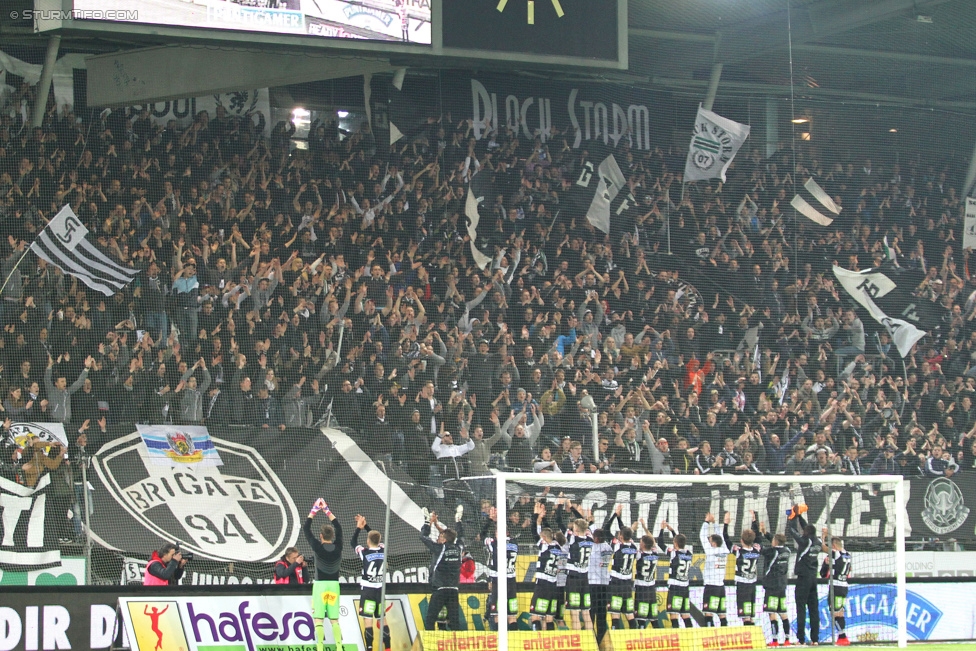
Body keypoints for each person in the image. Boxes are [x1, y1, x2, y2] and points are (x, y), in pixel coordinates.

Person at [304, 498, 344, 651]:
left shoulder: (317, 547)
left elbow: (306, 529)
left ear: (321, 536)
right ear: (332, 536)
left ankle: (320, 648)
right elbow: (339, 527)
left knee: (319, 620)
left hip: (320, 587)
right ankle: (339, 647)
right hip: (334, 586)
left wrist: (314, 510)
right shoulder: (338, 547)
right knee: (334, 620)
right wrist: (327, 510)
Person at [420, 511, 464, 630]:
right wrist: (458, 521)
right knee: (455, 622)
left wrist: (427, 522)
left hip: (440, 590)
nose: (438, 538)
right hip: (454, 591)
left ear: (444, 539)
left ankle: (430, 646)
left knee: (430, 619)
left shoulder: (440, 549)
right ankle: (456, 646)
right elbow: (460, 536)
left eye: (440, 536)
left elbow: (423, 537)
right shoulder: (459, 548)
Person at [353, 513, 390, 651]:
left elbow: (353, 542)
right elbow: (375, 537)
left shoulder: (364, 552)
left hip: (368, 591)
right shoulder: (383, 549)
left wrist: (359, 527)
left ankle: (369, 648)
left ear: (368, 541)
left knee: (368, 620)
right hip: (380, 591)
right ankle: (388, 648)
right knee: (382, 619)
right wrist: (367, 527)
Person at [788, 504, 822, 645]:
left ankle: (801, 640)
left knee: (801, 608)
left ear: (806, 533)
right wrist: (800, 516)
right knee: (814, 609)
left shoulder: (805, 542)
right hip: (814, 578)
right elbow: (807, 528)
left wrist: (792, 516)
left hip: (803, 579)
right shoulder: (818, 542)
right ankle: (815, 639)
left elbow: (792, 530)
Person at [529, 503, 566, 630]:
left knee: (536, 616)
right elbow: (548, 531)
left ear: (543, 538)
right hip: (553, 586)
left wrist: (535, 516)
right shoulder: (558, 547)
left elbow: (533, 531)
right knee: (548, 618)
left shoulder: (544, 546)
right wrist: (542, 518)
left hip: (542, 585)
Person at [482, 507, 518, 630]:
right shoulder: (515, 543)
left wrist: (490, 520)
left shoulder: (494, 544)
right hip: (511, 581)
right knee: (512, 615)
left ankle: (498, 640)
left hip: (499, 580)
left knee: (496, 613)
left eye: (497, 532)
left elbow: (482, 535)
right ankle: (513, 639)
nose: (495, 534)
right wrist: (498, 521)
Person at [725, 511, 763, 627]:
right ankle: (753, 636)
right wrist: (754, 522)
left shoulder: (738, 551)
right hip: (752, 584)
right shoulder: (757, 549)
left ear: (741, 540)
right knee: (750, 613)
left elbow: (726, 540)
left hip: (742, 584)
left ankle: (749, 638)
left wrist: (725, 524)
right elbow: (759, 539)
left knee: (744, 614)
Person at [758, 524, 793, 647]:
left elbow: (760, 548)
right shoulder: (787, 551)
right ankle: (788, 639)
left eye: (772, 539)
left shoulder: (772, 552)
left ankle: (774, 640)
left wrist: (759, 535)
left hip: (771, 586)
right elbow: (777, 543)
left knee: (771, 613)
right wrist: (766, 533)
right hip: (782, 586)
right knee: (783, 612)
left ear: (775, 542)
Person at [606, 506, 638, 630]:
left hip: (616, 583)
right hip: (628, 584)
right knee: (630, 615)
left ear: (620, 536)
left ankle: (615, 639)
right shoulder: (634, 546)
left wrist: (615, 515)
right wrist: (619, 519)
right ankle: (635, 639)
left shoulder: (617, 545)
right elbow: (626, 533)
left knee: (615, 613)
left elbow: (605, 529)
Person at [821, 531, 853, 646]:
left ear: (834, 546)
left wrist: (823, 536)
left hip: (836, 586)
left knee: (834, 612)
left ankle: (842, 636)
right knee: (840, 612)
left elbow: (823, 547)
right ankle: (841, 637)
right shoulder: (848, 554)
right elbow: (850, 570)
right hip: (844, 586)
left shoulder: (836, 553)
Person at [699, 513, 729, 627]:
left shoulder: (711, 551)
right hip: (721, 587)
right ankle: (725, 637)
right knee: (722, 614)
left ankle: (710, 638)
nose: (708, 542)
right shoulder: (724, 550)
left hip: (711, 586)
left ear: (714, 543)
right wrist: (715, 523)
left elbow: (702, 536)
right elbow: (720, 534)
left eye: (710, 540)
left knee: (708, 613)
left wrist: (706, 522)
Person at [633, 524, 664, 629]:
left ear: (643, 545)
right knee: (653, 618)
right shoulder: (655, 553)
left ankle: (641, 640)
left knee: (641, 619)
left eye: (641, 542)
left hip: (641, 589)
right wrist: (645, 527)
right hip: (651, 589)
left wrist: (642, 527)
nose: (639, 543)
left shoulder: (639, 554)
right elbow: (653, 541)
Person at [663, 521, 693, 628]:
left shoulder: (673, 553)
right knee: (685, 614)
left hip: (675, 587)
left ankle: (677, 635)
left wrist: (663, 529)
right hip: (685, 587)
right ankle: (691, 636)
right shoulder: (689, 554)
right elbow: (679, 541)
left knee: (674, 614)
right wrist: (672, 531)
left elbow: (661, 543)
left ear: (675, 543)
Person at [588, 526, 613, 644]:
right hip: (605, 584)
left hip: (594, 583)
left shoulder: (593, 547)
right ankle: (601, 639)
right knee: (602, 613)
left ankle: (591, 638)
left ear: (596, 538)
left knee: (591, 611)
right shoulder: (608, 546)